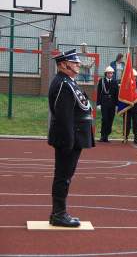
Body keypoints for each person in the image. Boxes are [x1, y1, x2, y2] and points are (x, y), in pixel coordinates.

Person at [48, 49, 95, 227]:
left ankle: (58, 213)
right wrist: (69, 141)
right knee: (63, 176)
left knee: (66, 176)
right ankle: (59, 214)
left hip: (75, 135)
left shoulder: (68, 82)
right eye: (73, 62)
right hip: (69, 137)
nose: (77, 64)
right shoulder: (62, 83)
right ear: (63, 65)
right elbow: (64, 115)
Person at [96, 66, 119, 142]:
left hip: (112, 103)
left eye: (111, 73)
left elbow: (116, 94)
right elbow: (99, 92)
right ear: (106, 73)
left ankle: (107, 135)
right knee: (104, 119)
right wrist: (98, 103)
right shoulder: (101, 81)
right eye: (109, 73)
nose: (110, 74)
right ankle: (103, 135)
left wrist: (117, 104)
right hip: (104, 103)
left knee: (110, 120)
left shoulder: (115, 82)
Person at [123, 69, 137, 144]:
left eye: (134, 76)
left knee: (136, 123)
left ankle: (136, 137)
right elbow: (123, 96)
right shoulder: (126, 85)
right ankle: (125, 137)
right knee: (126, 123)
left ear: (136, 77)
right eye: (132, 76)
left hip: (136, 107)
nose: (133, 78)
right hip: (127, 107)